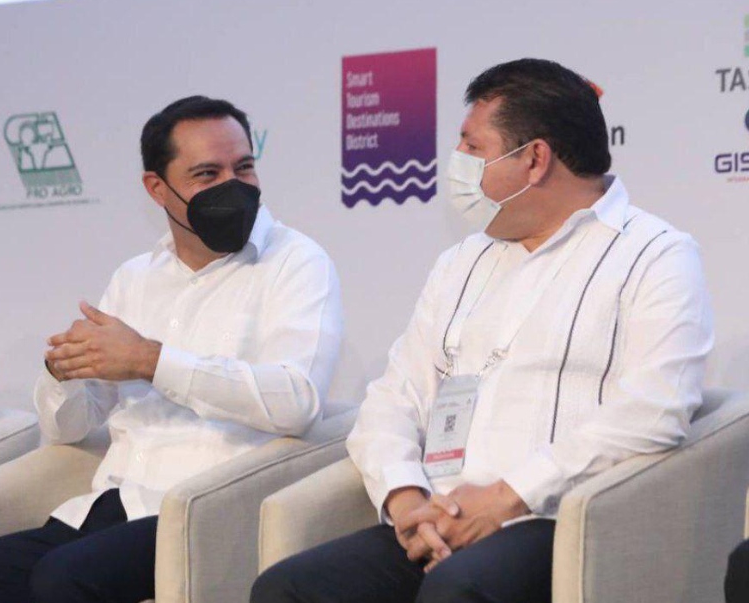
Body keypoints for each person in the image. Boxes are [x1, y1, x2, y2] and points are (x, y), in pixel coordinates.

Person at [251, 59, 714, 603]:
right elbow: (394, 398)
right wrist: (405, 499)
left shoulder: (655, 254)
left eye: (472, 147)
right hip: (435, 513)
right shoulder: (461, 262)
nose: (457, 161)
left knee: (457, 590)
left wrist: (505, 497)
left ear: (535, 159)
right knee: (288, 589)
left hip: (550, 518)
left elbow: (656, 408)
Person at [0, 95, 344, 603]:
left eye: (243, 168)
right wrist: (63, 373)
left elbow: (297, 400)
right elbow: (70, 428)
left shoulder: (296, 263)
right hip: (108, 506)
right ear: (157, 188)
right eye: (207, 174)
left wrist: (151, 360)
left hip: (199, 515)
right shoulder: (135, 278)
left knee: (63, 579)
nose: (233, 186)